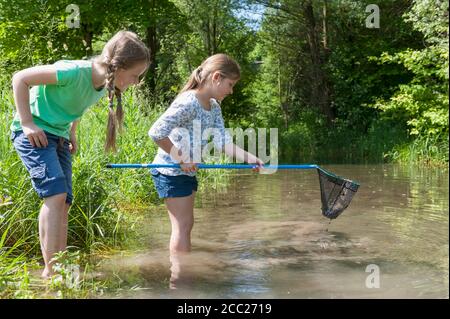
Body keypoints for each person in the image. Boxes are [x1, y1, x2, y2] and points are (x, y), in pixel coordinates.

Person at [10, 30, 150, 278]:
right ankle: (51, 271)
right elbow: (20, 78)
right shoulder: (74, 71)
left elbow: (76, 105)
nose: (136, 82)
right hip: (35, 131)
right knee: (55, 195)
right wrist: (27, 123)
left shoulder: (101, 84)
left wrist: (72, 132)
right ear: (117, 67)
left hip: (60, 136)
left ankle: (60, 265)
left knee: (63, 201)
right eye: (135, 75)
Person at [148, 54, 264, 287]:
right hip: (170, 171)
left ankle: (183, 275)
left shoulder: (214, 107)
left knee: (187, 224)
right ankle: (180, 282)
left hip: (186, 172)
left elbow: (223, 141)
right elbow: (156, 132)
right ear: (216, 77)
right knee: (181, 226)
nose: (231, 91)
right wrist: (181, 159)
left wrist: (249, 157)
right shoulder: (188, 101)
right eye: (230, 85)